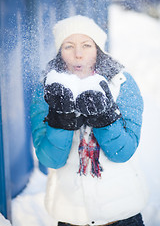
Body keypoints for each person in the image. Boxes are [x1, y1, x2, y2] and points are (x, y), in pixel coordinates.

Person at [30, 15, 148, 226]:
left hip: (123, 216)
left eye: (86, 45)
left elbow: (124, 152)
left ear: (98, 49)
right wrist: (61, 121)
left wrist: (104, 118)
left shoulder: (122, 83)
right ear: (59, 51)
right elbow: (50, 160)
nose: (78, 54)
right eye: (68, 46)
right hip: (70, 217)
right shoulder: (46, 90)